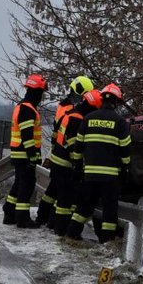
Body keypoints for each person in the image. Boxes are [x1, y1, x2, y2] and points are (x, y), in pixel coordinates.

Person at [66, 83, 131, 246]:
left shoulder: (88, 119)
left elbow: (77, 147)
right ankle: (107, 242)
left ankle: (71, 233)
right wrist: (125, 169)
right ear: (116, 102)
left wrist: (77, 166)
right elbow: (125, 150)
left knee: (84, 206)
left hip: (89, 175)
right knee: (110, 210)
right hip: (110, 177)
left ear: (102, 100)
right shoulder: (120, 123)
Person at [35, 75, 94, 230]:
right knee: (64, 197)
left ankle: (43, 218)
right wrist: (77, 162)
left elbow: (56, 134)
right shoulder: (74, 114)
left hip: (57, 155)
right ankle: (58, 226)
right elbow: (72, 141)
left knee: (51, 192)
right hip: (65, 160)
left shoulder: (64, 107)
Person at [49, 84, 102, 236]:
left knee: (60, 198)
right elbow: (73, 145)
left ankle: (53, 223)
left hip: (57, 159)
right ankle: (60, 229)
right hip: (65, 164)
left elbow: (56, 135)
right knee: (65, 201)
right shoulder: (78, 119)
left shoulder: (70, 113)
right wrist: (78, 165)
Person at [3, 74, 47, 227]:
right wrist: (33, 155)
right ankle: (22, 218)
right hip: (25, 154)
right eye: (42, 92)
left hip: (19, 153)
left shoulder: (23, 106)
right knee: (26, 185)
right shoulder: (27, 109)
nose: (42, 96)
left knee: (19, 183)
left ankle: (9, 212)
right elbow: (27, 135)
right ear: (37, 92)